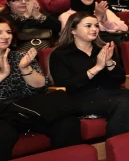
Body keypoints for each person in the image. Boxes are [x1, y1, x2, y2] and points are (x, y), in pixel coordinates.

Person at [49, 12, 129, 137]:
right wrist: (97, 68)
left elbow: (120, 79)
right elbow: (66, 85)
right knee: (122, 102)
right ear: (73, 30)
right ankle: (121, 149)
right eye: (88, 26)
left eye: (96, 26)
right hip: (81, 99)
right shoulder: (60, 54)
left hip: (110, 93)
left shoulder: (103, 48)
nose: (94, 29)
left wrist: (110, 62)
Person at [0, 17, 81, 160]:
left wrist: (25, 69)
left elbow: (41, 87)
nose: (5, 36)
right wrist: (3, 75)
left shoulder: (20, 56)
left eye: (8, 32)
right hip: (3, 113)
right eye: (0, 33)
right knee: (4, 134)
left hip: (28, 108)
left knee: (67, 123)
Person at [59, 0, 128, 34]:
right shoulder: (67, 16)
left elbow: (124, 28)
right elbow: (71, 37)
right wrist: (97, 18)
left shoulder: (102, 10)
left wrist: (106, 22)